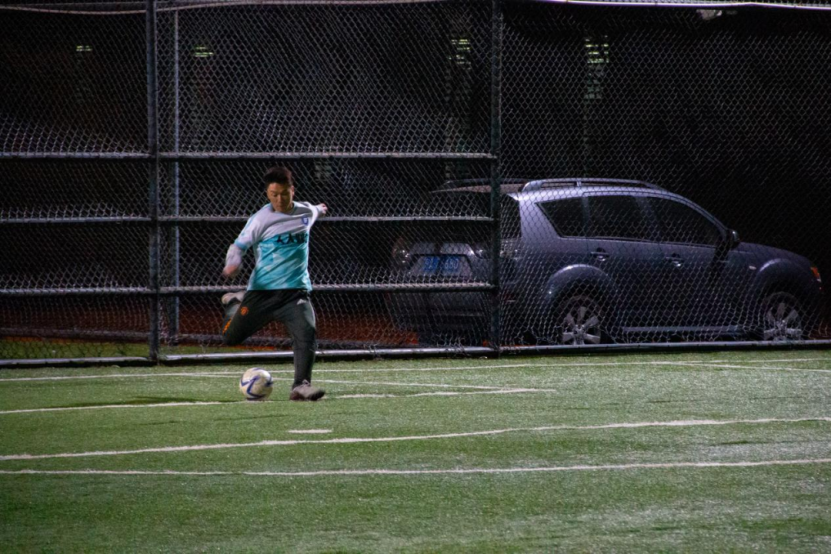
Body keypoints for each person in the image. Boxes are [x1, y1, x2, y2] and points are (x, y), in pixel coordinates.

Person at [220, 166, 327, 401]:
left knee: (306, 331)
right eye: (273, 194)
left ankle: (301, 386)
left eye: (284, 194)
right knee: (229, 338)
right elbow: (238, 247)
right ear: (267, 194)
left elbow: (316, 210)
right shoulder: (260, 219)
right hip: (263, 293)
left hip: (295, 292)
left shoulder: (305, 212)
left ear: (292, 190)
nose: (279, 199)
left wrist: (320, 209)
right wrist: (232, 264)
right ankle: (234, 304)